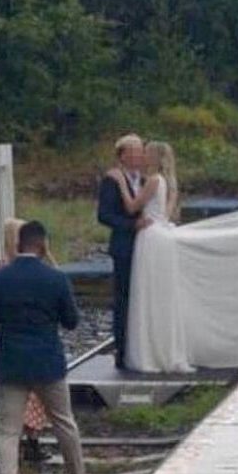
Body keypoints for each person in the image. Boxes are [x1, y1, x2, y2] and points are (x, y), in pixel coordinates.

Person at [0, 221, 92, 474]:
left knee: (7, 430)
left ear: (18, 245)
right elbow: (71, 321)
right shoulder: (56, 279)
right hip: (47, 363)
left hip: (11, 363)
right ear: (43, 245)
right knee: (63, 422)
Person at [108, 141, 188, 372]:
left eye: (146, 153)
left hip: (149, 237)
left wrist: (121, 182)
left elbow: (133, 207)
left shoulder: (153, 180)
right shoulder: (166, 182)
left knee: (145, 293)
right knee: (157, 294)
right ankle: (159, 348)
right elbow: (165, 213)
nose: (142, 156)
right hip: (160, 232)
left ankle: (147, 350)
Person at [0, 218, 55, 462]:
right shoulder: (44, 270)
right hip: (38, 347)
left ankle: (25, 442)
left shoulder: (0, 272)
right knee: (34, 398)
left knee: (18, 401)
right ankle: (32, 441)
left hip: (11, 347)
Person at [97, 134, 152, 369]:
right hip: (125, 246)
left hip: (149, 246)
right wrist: (130, 225)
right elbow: (104, 215)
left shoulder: (148, 179)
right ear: (122, 156)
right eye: (133, 152)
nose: (138, 156)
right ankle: (122, 347)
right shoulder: (112, 180)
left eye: (140, 151)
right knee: (124, 297)